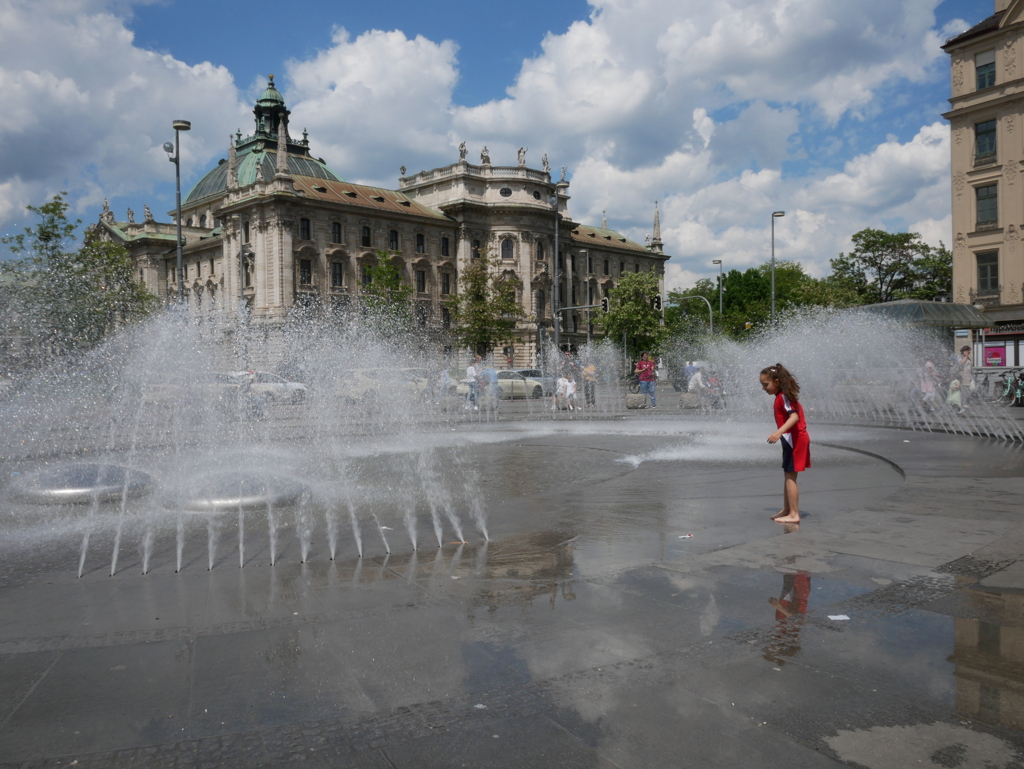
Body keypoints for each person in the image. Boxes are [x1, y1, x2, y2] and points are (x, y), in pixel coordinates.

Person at [760, 363, 810, 525]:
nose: (764, 388)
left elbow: (794, 417)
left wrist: (778, 432)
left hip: (795, 439)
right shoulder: (781, 396)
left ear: (776, 381)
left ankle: (794, 513)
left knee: (790, 476)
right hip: (791, 439)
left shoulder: (783, 396)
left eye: (765, 384)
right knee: (788, 475)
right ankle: (787, 509)